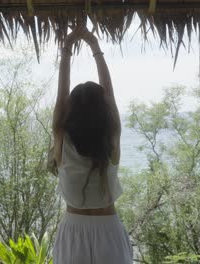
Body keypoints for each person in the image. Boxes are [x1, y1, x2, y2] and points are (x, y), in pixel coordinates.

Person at [51, 27, 133, 264]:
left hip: (73, 232)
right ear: (104, 112)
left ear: (71, 110)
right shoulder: (111, 138)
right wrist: (95, 48)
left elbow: (60, 98)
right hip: (109, 231)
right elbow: (110, 96)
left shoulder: (62, 138)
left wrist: (67, 49)